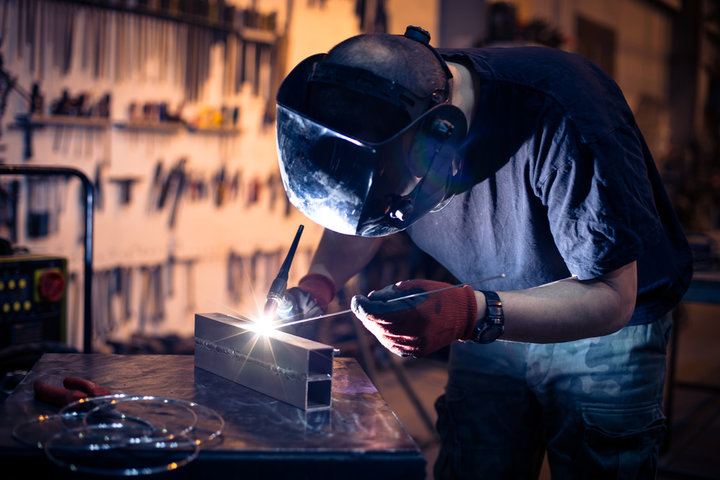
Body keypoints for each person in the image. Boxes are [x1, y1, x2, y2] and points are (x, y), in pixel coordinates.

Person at [274, 25, 693, 479]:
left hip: (606, 325)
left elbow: (612, 296)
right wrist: (318, 284)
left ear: (442, 137)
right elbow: (362, 218)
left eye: (397, 208)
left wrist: (468, 313)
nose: (393, 219)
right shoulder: (383, 105)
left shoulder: (566, 116)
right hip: (485, 314)